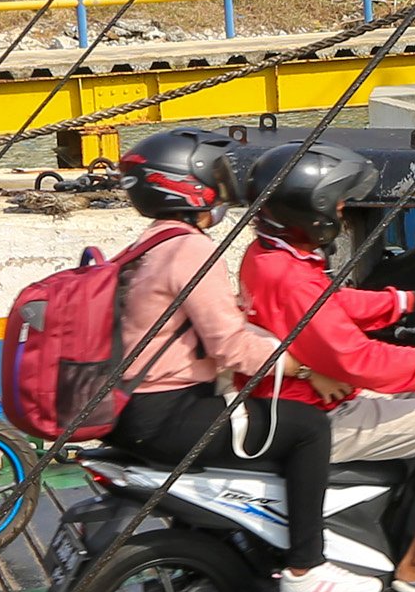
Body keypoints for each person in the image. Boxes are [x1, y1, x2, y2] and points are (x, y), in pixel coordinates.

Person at [236, 140, 415, 592]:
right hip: (314, 413)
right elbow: (361, 363)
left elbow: (329, 305)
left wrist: (406, 301)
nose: (343, 209)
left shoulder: (268, 256)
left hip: (285, 399)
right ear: (313, 209)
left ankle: (392, 523)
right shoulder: (290, 275)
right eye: (336, 201)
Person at [105, 128, 336, 550]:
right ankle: (306, 565)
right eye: (214, 174)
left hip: (129, 407)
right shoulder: (191, 250)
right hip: (163, 413)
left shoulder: (148, 244)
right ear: (188, 185)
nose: (222, 185)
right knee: (309, 428)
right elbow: (230, 347)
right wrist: (305, 369)